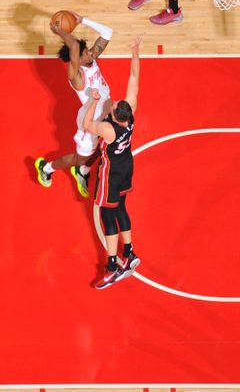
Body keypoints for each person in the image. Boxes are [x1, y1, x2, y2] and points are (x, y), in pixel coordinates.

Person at [83, 36, 142, 290]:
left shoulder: (108, 130)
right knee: (121, 208)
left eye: (115, 104)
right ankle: (129, 252)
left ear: (116, 118)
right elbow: (134, 81)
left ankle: (111, 267)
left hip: (111, 172)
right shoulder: (130, 113)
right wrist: (135, 52)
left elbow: (86, 125)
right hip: (126, 165)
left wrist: (94, 100)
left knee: (108, 214)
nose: (116, 101)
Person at [35, 13, 114, 198]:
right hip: (90, 119)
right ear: (77, 58)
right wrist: (60, 32)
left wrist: (82, 20)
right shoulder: (76, 77)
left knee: (106, 146)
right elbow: (74, 46)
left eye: (88, 51)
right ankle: (46, 168)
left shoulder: (91, 59)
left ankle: (83, 171)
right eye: (84, 52)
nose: (90, 53)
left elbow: (108, 32)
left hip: (106, 112)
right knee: (79, 158)